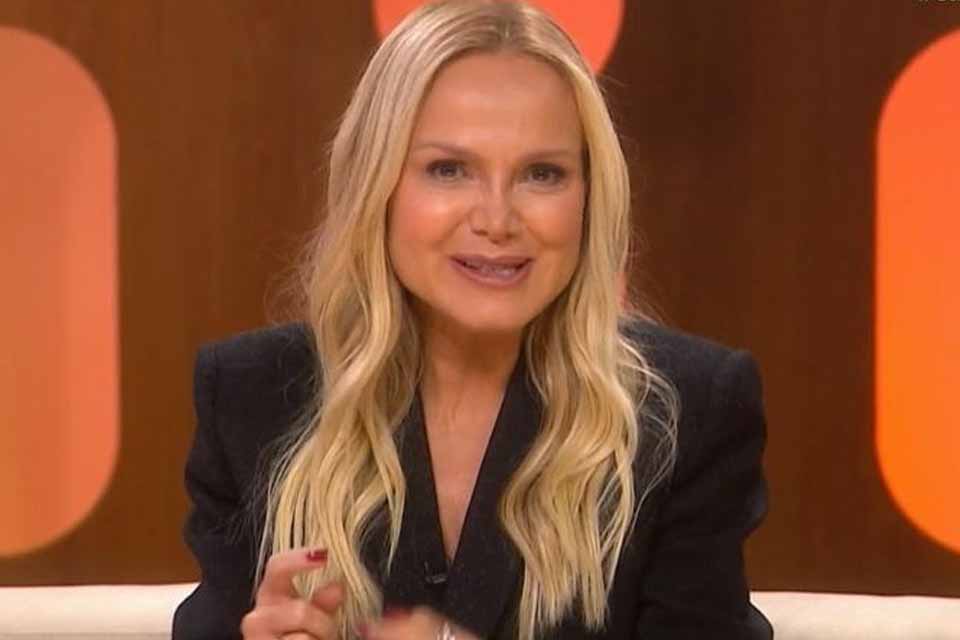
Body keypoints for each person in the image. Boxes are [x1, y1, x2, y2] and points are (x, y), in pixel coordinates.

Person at [172, 1, 772, 639]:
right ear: (377, 186)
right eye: (448, 170)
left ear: (589, 197)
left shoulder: (686, 413)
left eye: (542, 174)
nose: (496, 219)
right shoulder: (254, 399)